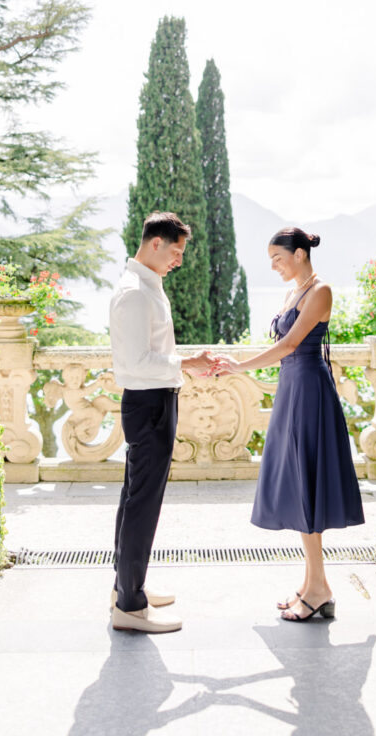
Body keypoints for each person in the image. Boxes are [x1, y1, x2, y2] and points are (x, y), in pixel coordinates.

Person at [215, 226, 364, 621]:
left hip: (310, 393)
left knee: (308, 485)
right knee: (301, 485)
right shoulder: (293, 293)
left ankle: (320, 588)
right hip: (292, 391)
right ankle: (311, 584)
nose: (274, 267)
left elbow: (289, 345)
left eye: (278, 259)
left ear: (300, 254)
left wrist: (238, 367)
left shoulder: (321, 291)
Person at [109, 211, 215, 634]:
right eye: (176, 251)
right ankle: (130, 607)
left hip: (154, 400)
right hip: (149, 404)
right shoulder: (135, 292)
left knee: (135, 498)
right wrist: (188, 362)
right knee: (142, 504)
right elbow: (135, 362)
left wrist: (184, 365)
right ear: (155, 243)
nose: (179, 260)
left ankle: (127, 588)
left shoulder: (147, 286)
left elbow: (152, 352)